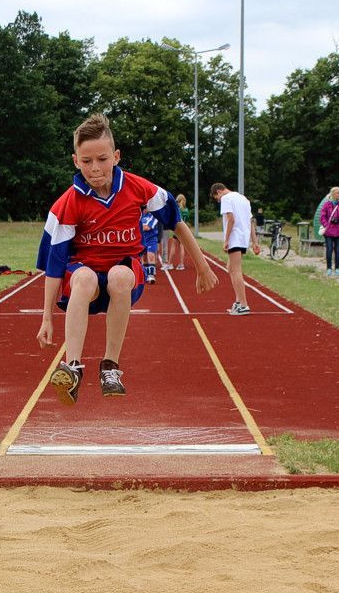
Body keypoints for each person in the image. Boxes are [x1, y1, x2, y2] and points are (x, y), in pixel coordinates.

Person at [36, 113, 217, 405]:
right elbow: (54, 264)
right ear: (75, 161)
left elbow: (176, 221)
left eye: (102, 159)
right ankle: (73, 368)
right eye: (86, 161)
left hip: (124, 273)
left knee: (120, 277)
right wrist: (46, 317)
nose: (95, 168)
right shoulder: (66, 204)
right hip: (84, 278)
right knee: (83, 277)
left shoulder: (139, 189)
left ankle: (110, 367)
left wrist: (202, 267)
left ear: (116, 156)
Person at [209, 182, 260, 314]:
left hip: (235, 238)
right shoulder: (243, 199)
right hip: (242, 238)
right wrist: (255, 242)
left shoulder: (226, 198)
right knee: (230, 268)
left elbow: (231, 219)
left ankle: (243, 305)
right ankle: (238, 302)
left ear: (219, 192)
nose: (219, 201)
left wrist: (226, 240)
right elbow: (250, 222)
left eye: (217, 199)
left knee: (236, 270)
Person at [319, 186, 339, 276]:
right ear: (333, 194)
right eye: (337, 193)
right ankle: (329, 268)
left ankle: (337, 268)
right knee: (329, 249)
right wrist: (326, 225)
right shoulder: (326, 204)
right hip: (329, 232)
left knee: (338, 250)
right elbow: (322, 217)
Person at [163, 193, 191, 271]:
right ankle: (181, 264)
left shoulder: (177, 210)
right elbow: (187, 221)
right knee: (182, 246)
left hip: (178, 230)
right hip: (185, 230)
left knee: (173, 246)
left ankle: (169, 264)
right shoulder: (186, 210)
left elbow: (175, 220)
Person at [140, 209, 160, 284]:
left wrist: (138, 227)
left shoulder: (153, 215)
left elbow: (147, 227)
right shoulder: (140, 215)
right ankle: (145, 275)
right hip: (142, 239)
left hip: (151, 239)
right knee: (144, 258)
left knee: (150, 256)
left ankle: (151, 275)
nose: (145, 209)